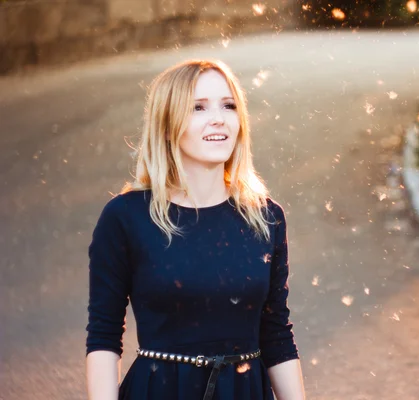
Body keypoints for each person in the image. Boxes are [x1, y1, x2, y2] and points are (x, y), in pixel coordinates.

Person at [85, 59, 305, 400]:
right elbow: (104, 334)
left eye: (228, 106)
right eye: (198, 107)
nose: (218, 117)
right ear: (168, 124)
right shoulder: (125, 217)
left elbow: (276, 335)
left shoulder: (265, 217)